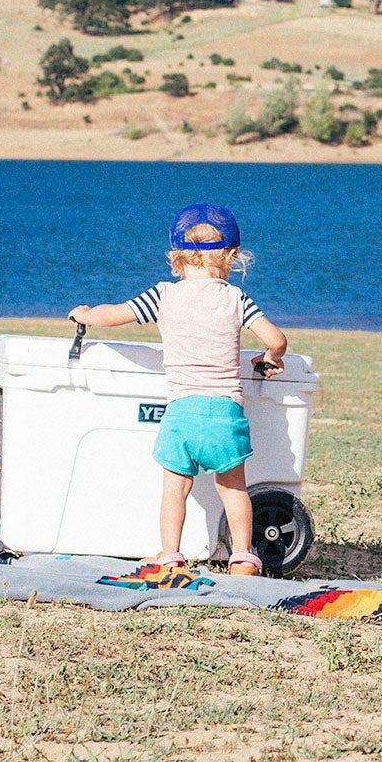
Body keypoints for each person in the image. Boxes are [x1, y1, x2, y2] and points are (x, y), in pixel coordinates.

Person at [68, 203, 288, 574]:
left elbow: (114, 315)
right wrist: (271, 357)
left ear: (176, 256)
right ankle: (242, 557)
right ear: (232, 257)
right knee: (233, 490)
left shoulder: (163, 296)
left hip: (182, 412)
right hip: (224, 412)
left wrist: (85, 313)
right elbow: (277, 338)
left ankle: (170, 555)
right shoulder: (237, 300)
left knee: (175, 490)